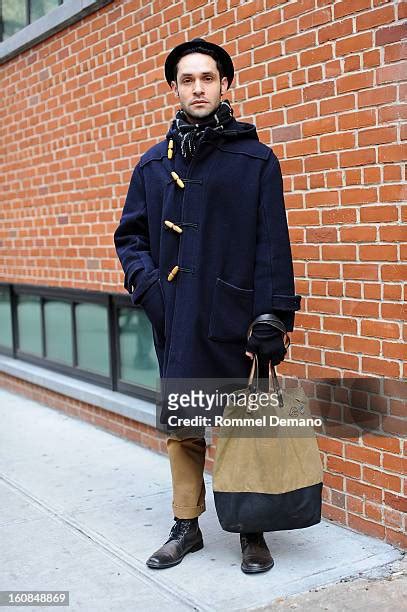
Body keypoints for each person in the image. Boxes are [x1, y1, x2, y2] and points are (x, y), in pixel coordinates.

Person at [114, 38, 301, 574]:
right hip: (177, 314)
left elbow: (273, 243)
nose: (199, 87)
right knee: (184, 424)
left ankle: (250, 529)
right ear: (174, 88)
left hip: (239, 316)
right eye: (188, 79)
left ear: (225, 85)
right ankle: (186, 525)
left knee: (246, 425)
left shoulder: (256, 160)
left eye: (209, 78)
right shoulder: (152, 166)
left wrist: (273, 316)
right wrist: (151, 290)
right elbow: (130, 238)